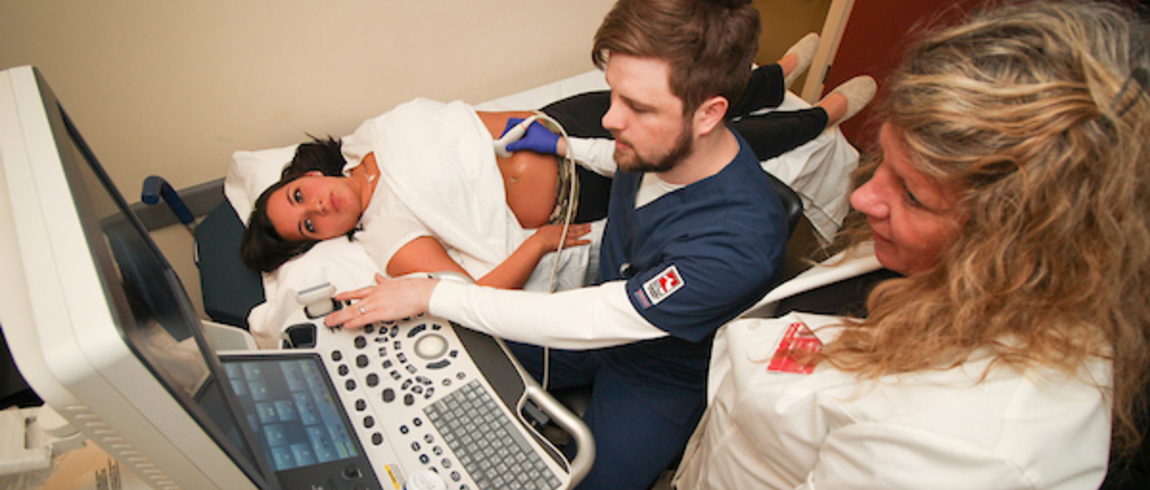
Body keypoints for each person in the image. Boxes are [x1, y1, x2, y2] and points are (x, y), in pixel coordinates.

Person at [321, 0, 875, 488]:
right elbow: (616, 160)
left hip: (657, 369)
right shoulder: (653, 149)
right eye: (614, 95)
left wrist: (429, 293)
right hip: (600, 322)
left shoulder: (737, 241)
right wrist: (568, 147)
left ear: (709, 114)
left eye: (639, 107)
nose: (612, 118)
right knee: (449, 364)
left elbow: (602, 316)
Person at [667, 1, 1150, 488]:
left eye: (914, 196)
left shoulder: (963, 452)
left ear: (1027, 244)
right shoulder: (935, 252)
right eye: (885, 161)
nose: (861, 196)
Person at [240, 30, 875, 293]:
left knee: (677, 99)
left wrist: (545, 133)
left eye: (299, 198)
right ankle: (820, 117)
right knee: (703, 148)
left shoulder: (371, 133)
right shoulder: (384, 237)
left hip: (557, 126)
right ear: (324, 238)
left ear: (308, 176)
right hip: (575, 196)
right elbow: (467, 295)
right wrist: (540, 243)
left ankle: (769, 78)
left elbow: (466, 120)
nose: (317, 209)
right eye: (309, 228)